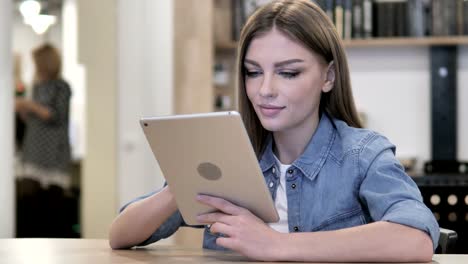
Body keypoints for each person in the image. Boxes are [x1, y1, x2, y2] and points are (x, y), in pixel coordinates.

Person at [109, 1, 438, 262]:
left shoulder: (362, 154)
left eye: (289, 73)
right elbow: (120, 235)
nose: (265, 89)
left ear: (329, 77)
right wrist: (182, 182)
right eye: (253, 72)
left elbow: (416, 238)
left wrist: (278, 246)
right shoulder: (230, 153)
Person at [15, 43, 73, 237]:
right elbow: (34, 119)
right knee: (31, 206)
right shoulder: (38, 86)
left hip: (53, 152)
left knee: (53, 207)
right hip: (33, 149)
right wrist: (24, 110)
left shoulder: (61, 87)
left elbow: (56, 115)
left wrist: (30, 106)